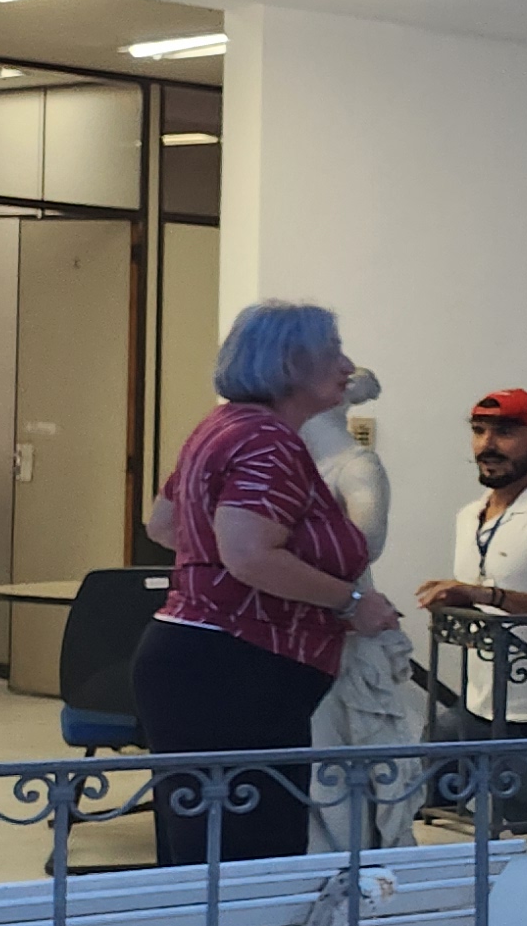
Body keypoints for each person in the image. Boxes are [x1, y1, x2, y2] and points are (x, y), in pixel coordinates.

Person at [132, 302, 398, 868]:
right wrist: (351, 601)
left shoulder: (224, 427)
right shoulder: (268, 441)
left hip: (199, 657)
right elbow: (250, 554)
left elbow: (165, 524)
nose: (346, 365)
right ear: (289, 363)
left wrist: (222, 572)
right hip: (236, 668)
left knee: (206, 859)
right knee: (247, 861)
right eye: (332, 351)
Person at [411, 388, 527, 725]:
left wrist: (488, 595)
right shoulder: (469, 515)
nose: (487, 445)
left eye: (505, 432)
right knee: (430, 752)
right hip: (479, 705)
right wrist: (461, 601)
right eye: (478, 431)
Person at [297, 366, 426, 848]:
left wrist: (273, 551)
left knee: (339, 772)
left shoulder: (356, 465)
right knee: (309, 769)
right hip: (293, 635)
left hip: (343, 638)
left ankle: (350, 872)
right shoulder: (285, 463)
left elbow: (364, 544)